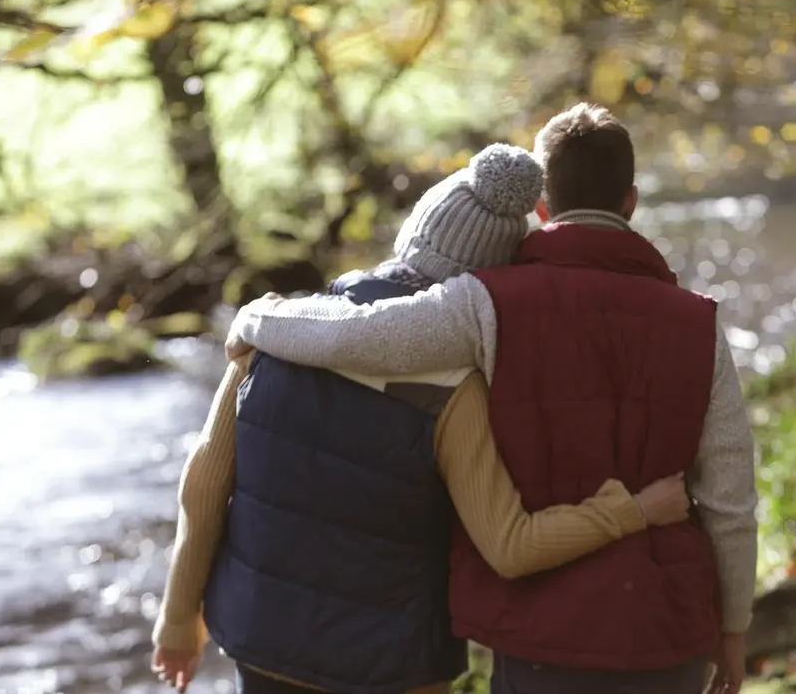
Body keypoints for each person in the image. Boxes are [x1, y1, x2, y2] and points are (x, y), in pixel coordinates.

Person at [224, 104, 760, 694]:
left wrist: (259, 317)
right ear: (630, 202)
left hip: (540, 631)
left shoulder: (484, 304)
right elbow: (729, 502)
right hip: (669, 631)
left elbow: (356, 334)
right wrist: (732, 633)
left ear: (541, 208)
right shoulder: (699, 325)